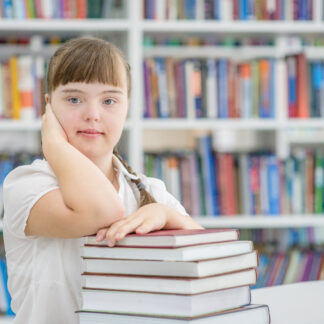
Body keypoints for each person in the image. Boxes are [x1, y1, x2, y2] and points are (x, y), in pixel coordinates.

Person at [2, 36, 203, 324]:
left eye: (109, 100)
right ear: (48, 107)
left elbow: (207, 264)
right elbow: (101, 211)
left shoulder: (150, 191)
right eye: (74, 99)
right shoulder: (27, 185)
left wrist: (168, 214)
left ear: (127, 107)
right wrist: (54, 144)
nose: (92, 115)